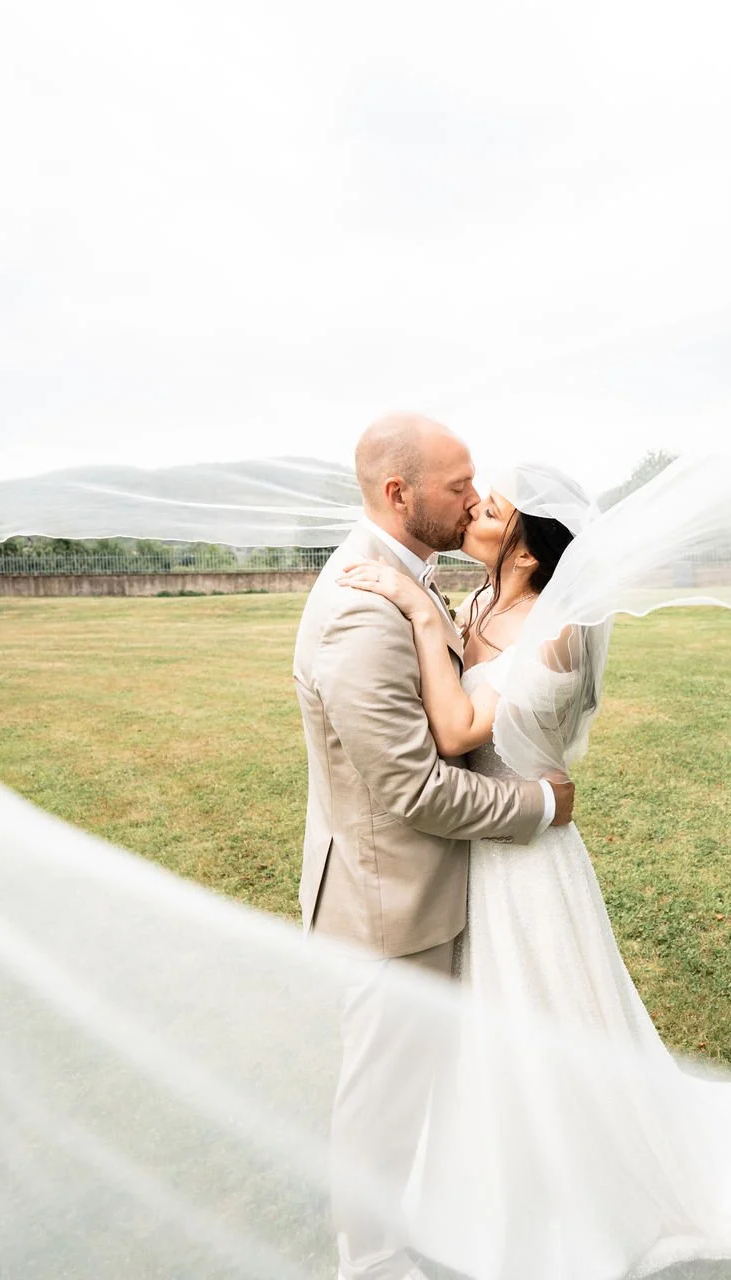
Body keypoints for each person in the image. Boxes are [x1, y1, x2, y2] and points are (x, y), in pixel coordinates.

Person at [339, 466, 731, 1280]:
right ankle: (480, 1183)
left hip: (530, 864)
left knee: (548, 1025)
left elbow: (461, 725)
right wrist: (426, 604)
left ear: (534, 548)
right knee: (482, 1027)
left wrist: (406, 605)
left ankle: (576, 1196)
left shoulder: (557, 629)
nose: (475, 508)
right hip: (481, 846)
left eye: (494, 507)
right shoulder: (477, 605)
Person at [294, 413, 577, 1280]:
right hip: (393, 901)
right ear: (397, 492)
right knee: (382, 1095)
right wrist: (539, 806)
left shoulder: (420, 584)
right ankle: (372, 1262)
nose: (473, 499)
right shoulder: (360, 607)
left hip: (448, 884)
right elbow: (412, 788)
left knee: (448, 1076)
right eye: (460, 486)